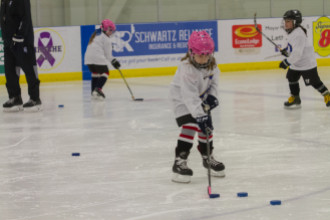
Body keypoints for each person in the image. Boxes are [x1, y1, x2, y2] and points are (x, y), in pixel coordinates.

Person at [169, 31, 225, 183]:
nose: (204, 59)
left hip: (200, 98)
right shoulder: (186, 68)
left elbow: (214, 83)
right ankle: (179, 161)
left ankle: (208, 157)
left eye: (207, 55)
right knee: (191, 125)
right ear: (191, 52)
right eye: (200, 55)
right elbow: (189, 96)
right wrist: (200, 115)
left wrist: (212, 98)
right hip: (182, 99)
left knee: (206, 128)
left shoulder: (212, 64)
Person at [279, 10, 330, 109]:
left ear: (295, 22)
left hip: (306, 64)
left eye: (288, 21)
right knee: (291, 77)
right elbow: (293, 49)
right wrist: (286, 51)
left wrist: (286, 62)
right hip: (296, 63)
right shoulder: (292, 32)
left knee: (315, 82)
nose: (286, 23)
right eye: (285, 21)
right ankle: (295, 98)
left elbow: (297, 54)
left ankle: (327, 95)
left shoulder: (298, 34)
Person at [0, 0, 41, 112]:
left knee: (29, 69)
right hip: (8, 42)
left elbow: (25, 17)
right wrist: (6, 38)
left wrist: (19, 35)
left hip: (22, 41)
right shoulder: (4, 2)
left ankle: (35, 98)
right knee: (10, 70)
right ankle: (15, 97)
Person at [84, 19, 121, 100]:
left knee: (95, 72)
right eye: (110, 30)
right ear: (105, 29)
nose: (111, 32)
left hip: (88, 59)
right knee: (105, 72)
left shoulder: (97, 33)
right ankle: (98, 89)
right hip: (97, 58)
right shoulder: (107, 39)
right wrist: (114, 61)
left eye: (112, 30)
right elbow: (108, 56)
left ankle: (93, 91)